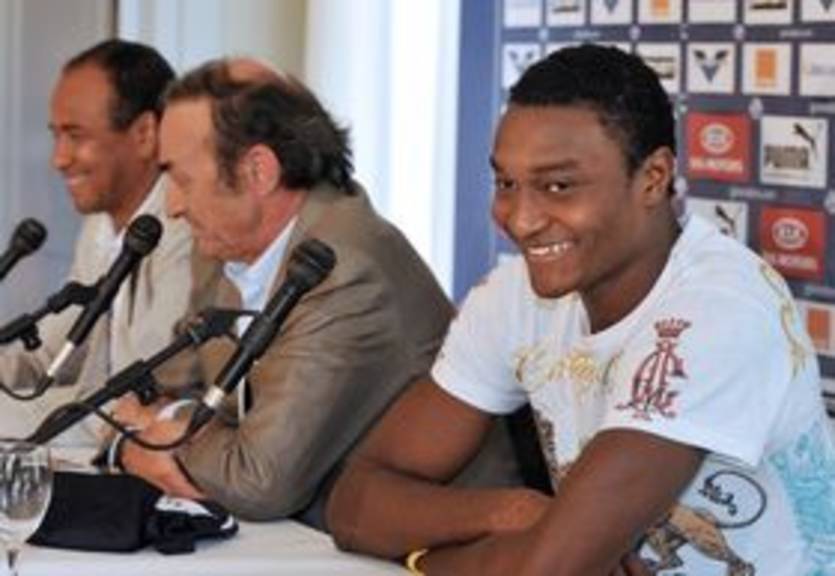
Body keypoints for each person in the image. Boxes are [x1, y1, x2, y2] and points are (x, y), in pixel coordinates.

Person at [326, 44, 835, 575]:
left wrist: (427, 560)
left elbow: (547, 570)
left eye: (558, 186)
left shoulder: (719, 309)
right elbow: (354, 504)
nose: (521, 219)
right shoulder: (516, 295)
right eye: (506, 183)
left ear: (654, 177)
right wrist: (511, 512)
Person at [115, 57, 518, 525]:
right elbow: (151, 394)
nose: (171, 205)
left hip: (427, 542)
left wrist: (169, 434)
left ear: (258, 171)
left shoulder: (347, 270)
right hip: (303, 535)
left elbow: (257, 482)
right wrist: (142, 438)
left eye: (182, 180)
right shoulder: (220, 250)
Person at [0, 39, 193, 446]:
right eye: (56, 136)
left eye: (76, 136)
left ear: (145, 134)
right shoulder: (99, 226)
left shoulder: (186, 227)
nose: (59, 158)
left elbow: (145, 390)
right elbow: (51, 357)